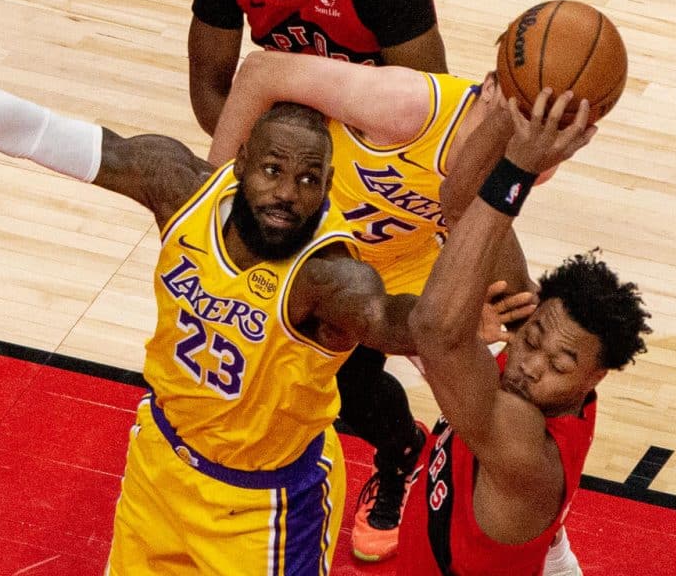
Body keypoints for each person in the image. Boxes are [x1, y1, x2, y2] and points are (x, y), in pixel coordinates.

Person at [0, 31, 531, 575]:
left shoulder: (329, 278)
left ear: (326, 187)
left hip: (263, 510)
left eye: (310, 180)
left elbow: (403, 325)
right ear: (239, 161)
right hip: (159, 467)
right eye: (272, 170)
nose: (287, 194)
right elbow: (39, 133)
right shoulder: (178, 187)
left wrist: (461, 308)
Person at [209, 48, 538, 562]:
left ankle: (418, 472)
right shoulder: (404, 105)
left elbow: (466, 219)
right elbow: (259, 72)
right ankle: (405, 444)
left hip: (403, 259)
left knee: (475, 394)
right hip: (315, 245)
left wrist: (478, 312)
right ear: (491, 85)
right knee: (336, 392)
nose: (524, 133)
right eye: (515, 112)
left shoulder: (537, 157)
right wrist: (211, 209)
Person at [403, 89, 651, 574]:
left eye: (559, 365)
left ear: (594, 378)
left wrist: (521, 165)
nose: (530, 366)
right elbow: (458, 200)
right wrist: (516, 106)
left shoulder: (523, 445)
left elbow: (433, 329)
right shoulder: (539, 330)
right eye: (532, 340)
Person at [189, 0, 448, 136]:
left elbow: (432, 109)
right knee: (157, 156)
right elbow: (210, 91)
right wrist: (265, 154)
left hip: (377, 131)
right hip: (285, 131)